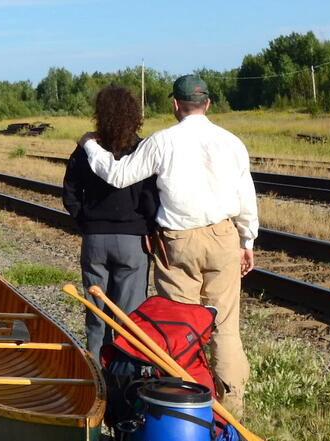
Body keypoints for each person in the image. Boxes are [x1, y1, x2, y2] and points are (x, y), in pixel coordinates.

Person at [78, 74, 258, 419]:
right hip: (224, 236)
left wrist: (90, 145)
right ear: (208, 104)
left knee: (178, 328)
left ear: (175, 105)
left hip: (178, 244)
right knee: (225, 325)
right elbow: (245, 196)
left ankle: (182, 405)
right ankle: (231, 407)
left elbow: (118, 175)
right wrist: (247, 241)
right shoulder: (232, 142)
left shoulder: (162, 142)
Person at [63, 86, 159, 363]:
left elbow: (70, 192)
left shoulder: (85, 151)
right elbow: (151, 198)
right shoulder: (142, 150)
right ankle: (125, 373)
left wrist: (86, 222)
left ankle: (96, 374)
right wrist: (149, 229)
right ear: (134, 115)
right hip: (133, 242)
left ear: (100, 115)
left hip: (95, 240)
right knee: (129, 317)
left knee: (97, 314)